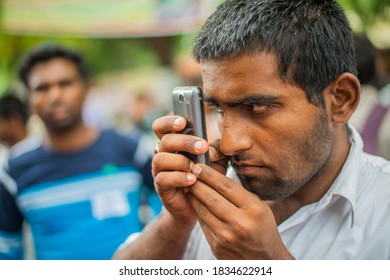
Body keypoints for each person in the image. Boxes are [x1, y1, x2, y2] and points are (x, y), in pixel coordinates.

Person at [113, 0, 390, 260]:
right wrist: (177, 221)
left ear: (341, 99)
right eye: (218, 109)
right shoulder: (210, 185)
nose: (230, 144)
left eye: (258, 107)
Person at [0, 44, 156, 260]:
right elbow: (7, 251)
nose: (55, 95)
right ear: (29, 100)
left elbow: (168, 211)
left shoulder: (130, 148)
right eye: (42, 88)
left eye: (65, 83)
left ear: (86, 87)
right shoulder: (13, 171)